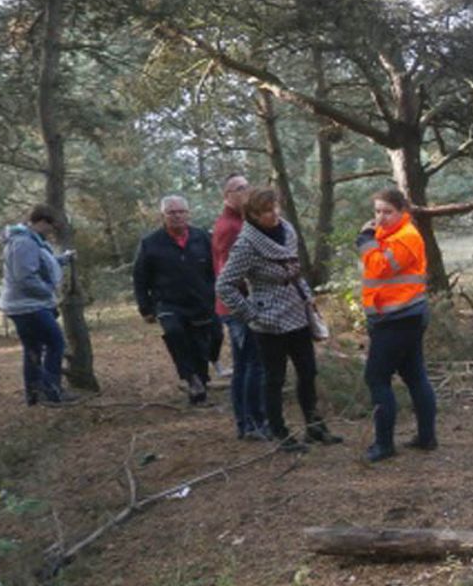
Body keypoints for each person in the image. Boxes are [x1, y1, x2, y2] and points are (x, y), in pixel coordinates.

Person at [216, 187, 341, 452]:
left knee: (308, 372)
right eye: (266, 211)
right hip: (269, 322)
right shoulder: (246, 244)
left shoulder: (287, 231)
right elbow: (224, 285)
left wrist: (307, 300)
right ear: (252, 215)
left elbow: (294, 269)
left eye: (276, 208)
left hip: (297, 312)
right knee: (274, 378)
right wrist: (251, 313)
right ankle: (280, 433)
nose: (274, 214)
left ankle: (315, 426)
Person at [356, 187, 437, 463]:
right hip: (396, 318)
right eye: (377, 212)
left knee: (376, 378)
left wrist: (365, 239)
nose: (381, 218)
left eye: (387, 212)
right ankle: (426, 437)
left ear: (402, 212)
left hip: (399, 320)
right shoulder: (389, 235)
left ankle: (384, 444)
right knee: (414, 375)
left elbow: (380, 266)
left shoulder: (406, 237)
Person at [132, 195, 218, 404]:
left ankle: (201, 379)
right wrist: (145, 308)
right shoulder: (150, 243)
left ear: (188, 214)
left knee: (207, 341)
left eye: (181, 212)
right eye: (172, 212)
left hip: (201, 301)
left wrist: (217, 294)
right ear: (163, 216)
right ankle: (191, 379)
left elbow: (215, 269)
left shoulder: (202, 238)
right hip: (168, 303)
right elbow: (140, 277)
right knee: (175, 333)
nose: (177, 216)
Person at [0, 204, 75, 405]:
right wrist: (49, 289)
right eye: (50, 225)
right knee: (55, 342)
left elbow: (41, 265)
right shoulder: (24, 243)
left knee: (33, 347)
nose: (51, 230)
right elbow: (25, 277)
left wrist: (62, 260)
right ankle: (52, 391)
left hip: (25, 305)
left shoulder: (30, 240)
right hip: (28, 305)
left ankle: (34, 394)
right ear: (41, 222)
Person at [212, 173, 268, 440]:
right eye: (240, 188)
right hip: (239, 308)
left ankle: (247, 423)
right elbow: (227, 277)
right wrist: (248, 306)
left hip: (234, 307)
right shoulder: (231, 227)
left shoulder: (240, 223)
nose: (247, 191)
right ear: (227, 197)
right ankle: (253, 423)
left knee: (244, 365)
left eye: (248, 186)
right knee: (253, 365)